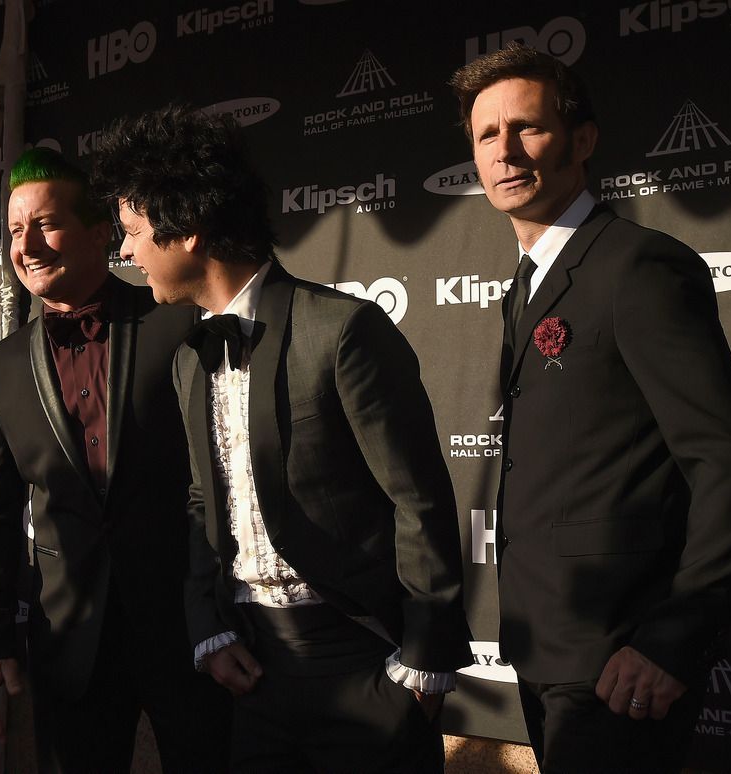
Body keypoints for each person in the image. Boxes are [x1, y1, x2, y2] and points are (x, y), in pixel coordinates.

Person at [90, 105, 472, 773]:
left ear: (188, 231)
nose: (123, 252)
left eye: (132, 232)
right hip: (255, 672)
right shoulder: (189, 357)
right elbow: (200, 504)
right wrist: (208, 629)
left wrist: (423, 667)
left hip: (362, 663)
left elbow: (421, 503)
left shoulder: (342, 331)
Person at [450, 44, 731, 773]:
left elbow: (726, 460)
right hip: (544, 647)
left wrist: (671, 642)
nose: (504, 151)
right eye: (485, 136)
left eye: (525, 127)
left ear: (581, 140)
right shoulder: (526, 285)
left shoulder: (638, 267)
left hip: (622, 658)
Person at [0, 147, 228, 773]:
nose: (27, 245)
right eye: (16, 230)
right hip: (69, 647)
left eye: (46, 224)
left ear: (101, 233)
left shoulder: (177, 322)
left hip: (192, 635)